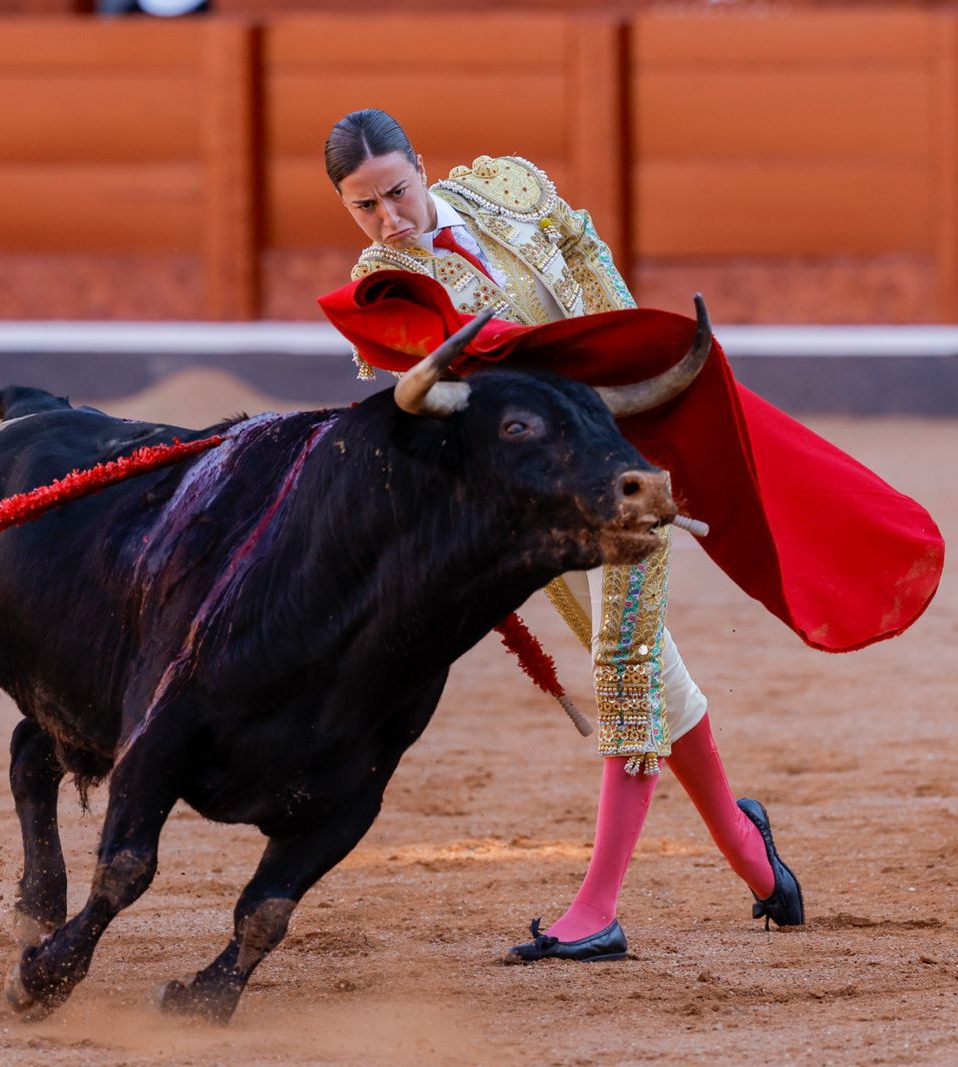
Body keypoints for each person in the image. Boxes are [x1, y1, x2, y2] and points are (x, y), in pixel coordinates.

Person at [324, 108, 804, 963]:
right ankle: (750, 852)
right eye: (365, 207)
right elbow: (438, 416)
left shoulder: (509, 183)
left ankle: (599, 909)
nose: (390, 218)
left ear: (421, 168)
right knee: (653, 665)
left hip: (630, 463)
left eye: (397, 192)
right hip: (541, 506)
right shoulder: (383, 287)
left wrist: (624, 365)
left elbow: (583, 249)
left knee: (624, 667)